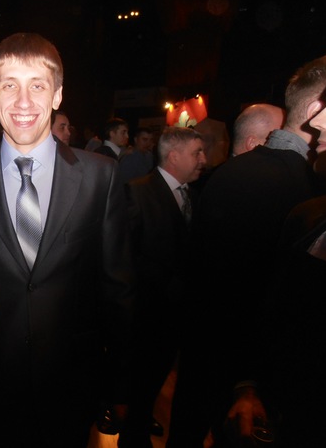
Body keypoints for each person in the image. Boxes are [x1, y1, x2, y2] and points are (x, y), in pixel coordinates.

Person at [0, 32, 134, 448]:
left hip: (71, 381)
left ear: (57, 95)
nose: (23, 102)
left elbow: (119, 286)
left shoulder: (101, 175)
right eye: (9, 85)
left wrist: (120, 383)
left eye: (37, 86)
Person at [166, 53, 326, 448]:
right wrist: (248, 380)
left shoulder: (234, 174)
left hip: (211, 356)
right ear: (315, 109)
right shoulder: (307, 191)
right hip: (252, 379)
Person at [118, 127, 205, 448]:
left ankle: (141, 420)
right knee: (142, 382)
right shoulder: (137, 191)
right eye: (197, 153)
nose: (203, 160)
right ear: (174, 156)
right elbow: (125, 256)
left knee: (155, 381)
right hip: (147, 315)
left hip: (176, 315)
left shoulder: (192, 193)